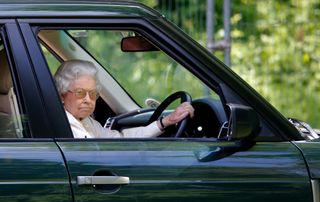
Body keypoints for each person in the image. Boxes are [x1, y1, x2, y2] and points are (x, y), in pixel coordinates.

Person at [54, 59, 194, 138]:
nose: (88, 99)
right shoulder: (63, 126)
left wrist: (166, 121)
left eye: (92, 94)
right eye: (80, 93)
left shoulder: (86, 121)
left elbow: (121, 140)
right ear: (62, 95)